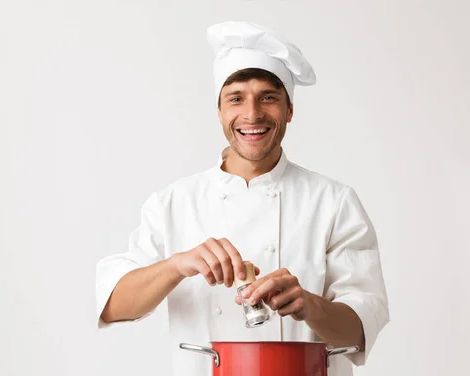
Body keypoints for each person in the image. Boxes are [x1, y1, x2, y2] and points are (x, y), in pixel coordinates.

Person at [95, 21, 389, 376]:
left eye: (268, 97)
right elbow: (112, 304)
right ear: (218, 111)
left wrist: (309, 305)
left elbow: (360, 331)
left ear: (290, 111)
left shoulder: (333, 202)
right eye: (236, 98)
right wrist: (177, 265)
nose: (252, 114)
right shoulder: (173, 203)